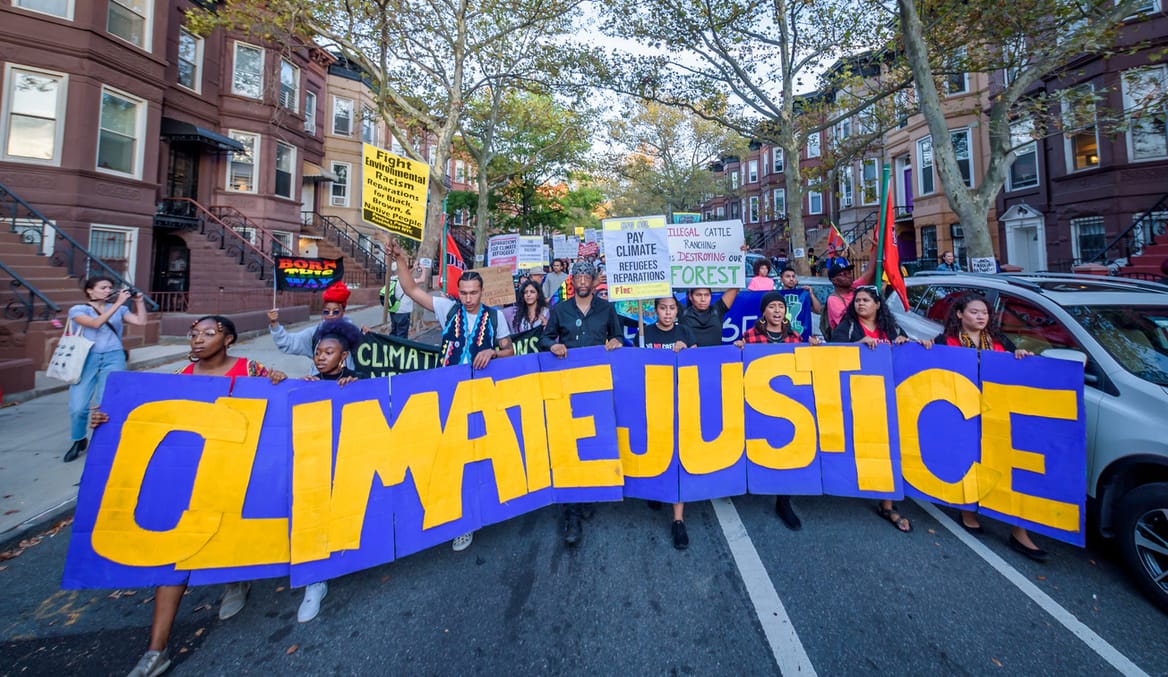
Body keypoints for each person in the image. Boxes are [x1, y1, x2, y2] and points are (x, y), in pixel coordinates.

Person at [90, 316, 287, 677]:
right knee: (175, 556)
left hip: (238, 473)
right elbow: (148, 421)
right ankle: (156, 650)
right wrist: (108, 419)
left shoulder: (251, 369)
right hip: (187, 480)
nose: (198, 340)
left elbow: (280, 407)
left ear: (228, 339)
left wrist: (278, 381)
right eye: (194, 334)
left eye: (208, 334)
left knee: (226, 537)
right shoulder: (178, 379)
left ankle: (236, 578)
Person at [389, 240, 515, 552]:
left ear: (482, 292)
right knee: (449, 457)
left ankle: (471, 518)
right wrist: (402, 262)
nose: (469, 299)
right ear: (458, 292)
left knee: (476, 458)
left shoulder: (495, 317)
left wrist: (493, 353)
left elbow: (510, 350)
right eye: (465, 293)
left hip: (481, 396)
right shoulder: (447, 308)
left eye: (474, 293)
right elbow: (411, 290)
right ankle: (455, 516)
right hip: (447, 394)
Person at [933, 294, 1048, 561]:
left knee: (1011, 466)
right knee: (971, 461)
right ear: (960, 315)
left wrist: (1019, 355)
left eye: (984, 312)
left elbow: (1015, 368)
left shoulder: (1000, 343)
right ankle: (968, 510)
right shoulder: (944, 342)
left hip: (999, 413)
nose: (981, 317)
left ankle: (1020, 531)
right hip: (965, 413)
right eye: (974, 312)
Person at [830, 286, 931, 533]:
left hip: (890, 398)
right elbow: (831, 355)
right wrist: (856, 345)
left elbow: (908, 354)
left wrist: (908, 343)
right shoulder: (848, 328)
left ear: (877, 304)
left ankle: (888, 504)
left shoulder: (892, 328)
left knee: (891, 448)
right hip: (858, 398)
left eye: (865, 300)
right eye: (857, 301)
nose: (860, 304)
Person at [540, 260, 623, 547]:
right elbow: (545, 337)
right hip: (568, 389)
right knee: (570, 447)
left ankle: (589, 494)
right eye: (579, 276)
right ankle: (572, 513)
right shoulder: (560, 309)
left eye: (588, 276)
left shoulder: (607, 308)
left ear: (594, 280)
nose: (583, 280)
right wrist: (553, 345)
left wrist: (616, 343)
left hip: (599, 388)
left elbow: (620, 336)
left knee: (595, 445)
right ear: (572, 280)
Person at [733, 292, 820, 531]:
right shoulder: (750, 336)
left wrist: (813, 348)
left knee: (786, 449)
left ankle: (784, 501)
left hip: (788, 404)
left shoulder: (795, 337)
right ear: (764, 312)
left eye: (781, 306)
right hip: (757, 400)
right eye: (772, 306)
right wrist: (738, 349)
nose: (777, 310)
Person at [64, 276, 148, 462]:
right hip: (85, 358)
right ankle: (79, 439)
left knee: (107, 402)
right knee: (78, 406)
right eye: (103, 287)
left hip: (114, 355)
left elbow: (140, 322)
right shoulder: (78, 310)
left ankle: (102, 441)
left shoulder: (118, 308)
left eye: (110, 287)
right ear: (90, 291)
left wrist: (139, 303)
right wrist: (118, 303)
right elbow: (95, 324)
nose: (108, 290)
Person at [641, 296, 697, 549]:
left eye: (672, 308)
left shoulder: (685, 331)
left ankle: (678, 520)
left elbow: (697, 365)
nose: (667, 313)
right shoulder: (645, 333)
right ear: (655, 311)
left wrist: (686, 352)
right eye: (662, 308)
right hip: (652, 404)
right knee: (655, 455)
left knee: (677, 459)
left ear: (677, 310)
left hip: (680, 403)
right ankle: (654, 491)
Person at [268, 281, 357, 368]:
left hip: (346, 382)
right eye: (326, 311)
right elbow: (288, 343)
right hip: (320, 382)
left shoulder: (354, 334)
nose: (330, 315)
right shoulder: (314, 333)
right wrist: (274, 324)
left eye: (335, 311)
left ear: (343, 312)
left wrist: (369, 336)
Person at [778, 267, 823, 339]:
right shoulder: (776, 295)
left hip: (801, 336)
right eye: (788, 276)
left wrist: (811, 295)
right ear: (781, 279)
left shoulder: (803, 295)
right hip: (781, 335)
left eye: (793, 276)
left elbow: (818, 310)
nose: (791, 279)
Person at [380, 264, 415, 339]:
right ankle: (400, 348)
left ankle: (392, 346)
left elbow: (406, 274)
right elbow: (421, 279)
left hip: (394, 308)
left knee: (394, 330)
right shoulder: (404, 281)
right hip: (403, 310)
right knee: (402, 333)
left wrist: (413, 268)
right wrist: (423, 270)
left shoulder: (391, 280)